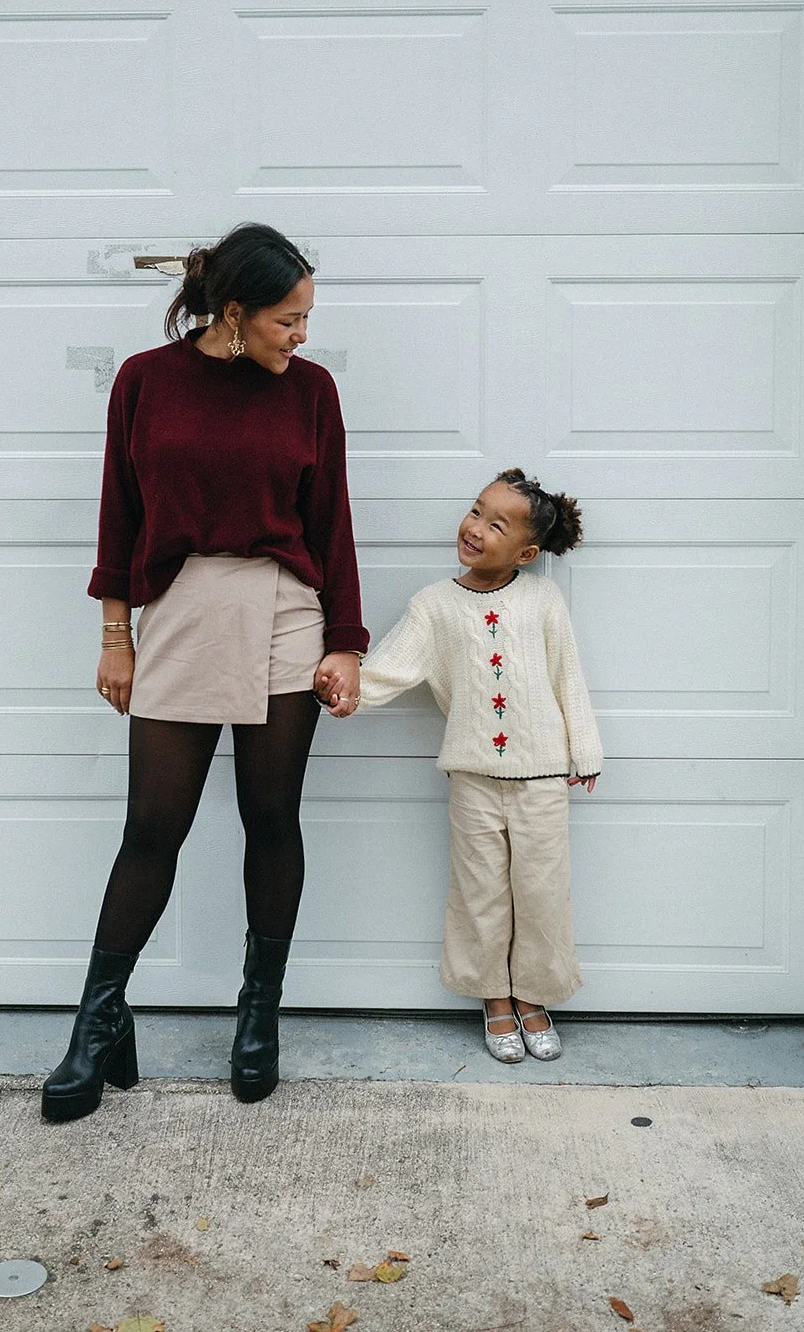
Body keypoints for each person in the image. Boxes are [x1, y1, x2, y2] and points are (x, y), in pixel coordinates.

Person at [42, 224, 367, 1123]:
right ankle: (97, 1024)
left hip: (284, 612)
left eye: (306, 318)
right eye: (286, 319)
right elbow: (120, 509)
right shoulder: (147, 381)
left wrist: (343, 639)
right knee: (153, 824)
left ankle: (257, 1013)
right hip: (181, 605)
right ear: (232, 313)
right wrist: (117, 634)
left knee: (271, 817)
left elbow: (330, 518)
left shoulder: (311, 392)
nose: (300, 335)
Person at [341, 469, 600, 1064]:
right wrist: (348, 691)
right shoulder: (433, 605)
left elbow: (568, 676)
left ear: (528, 552)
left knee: (541, 893)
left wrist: (585, 749)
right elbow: (391, 666)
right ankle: (495, 999)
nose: (476, 528)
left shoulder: (542, 598)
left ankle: (534, 997)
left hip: (541, 776)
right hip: (473, 776)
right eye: (476, 511)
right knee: (479, 894)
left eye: (497, 524)